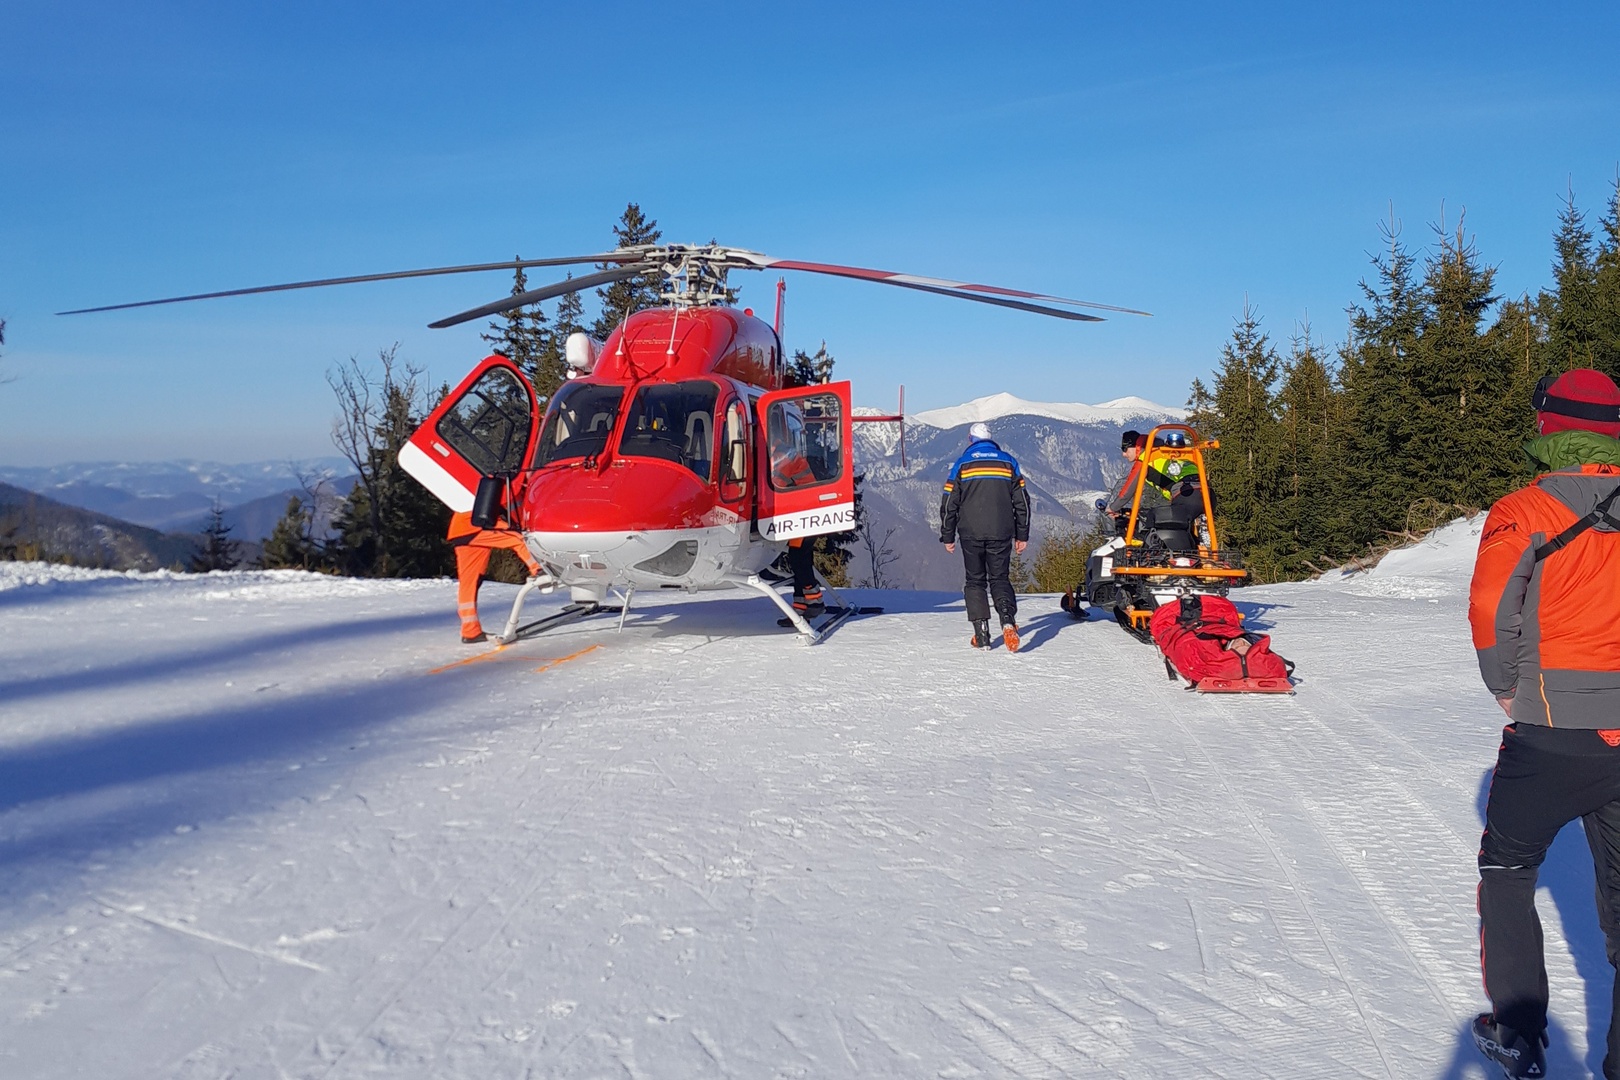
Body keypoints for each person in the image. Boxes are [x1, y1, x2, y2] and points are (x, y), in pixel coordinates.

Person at [1468, 367, 1620, 1079]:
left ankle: (1520, 1033)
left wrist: (1506, 688)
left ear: (1547, 427)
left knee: (1506, 868)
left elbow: (1492, 610)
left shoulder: (1524, 508)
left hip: (1550, 730)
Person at [940, 421, 1031, 651]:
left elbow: (950, 502)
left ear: (970, 440)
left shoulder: (962, 464)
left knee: (975, 581)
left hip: (970, 532)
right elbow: (1022, 503)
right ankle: (1008, 622)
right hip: (1001, 531)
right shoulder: (1008, 462)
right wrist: (1022, 534)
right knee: (1000, 578)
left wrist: (947, 535)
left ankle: (981, 634)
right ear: (992, 440)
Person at [448, 503, 542, 644]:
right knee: (518, 539)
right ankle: (539, 569)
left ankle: (470, 631)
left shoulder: (476, 485)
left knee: (470, 582)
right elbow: (507, 505)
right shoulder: (508, 483)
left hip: (461, 530)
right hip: (475, 526)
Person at [769, 406, 825, 620]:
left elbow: (776, 484)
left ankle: (815, 599)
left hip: (805, 513)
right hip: (802, 513)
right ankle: (801, 606)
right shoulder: (783, 451)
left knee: (798, 557)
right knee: (800, 556)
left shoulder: (781, 455)